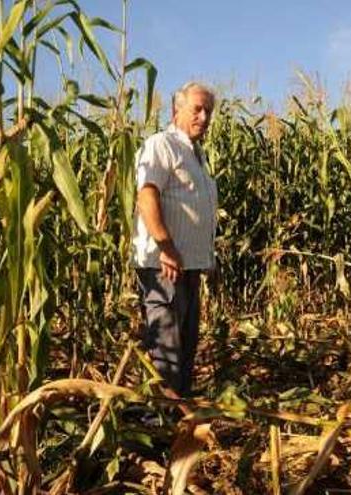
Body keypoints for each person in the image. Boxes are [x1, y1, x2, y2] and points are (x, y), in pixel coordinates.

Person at [132, 82, 217, 396]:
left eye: (208, 111)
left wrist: (207, 260)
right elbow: (147, 194)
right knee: (166, 348)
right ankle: (157, 425)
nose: (204, 117)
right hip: (163, 266)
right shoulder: (161, 144)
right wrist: (166, 246)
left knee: (185, 345)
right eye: (197, 109)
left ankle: (179, 419)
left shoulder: (196, 155)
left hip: (190, 267)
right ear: (176, 110)